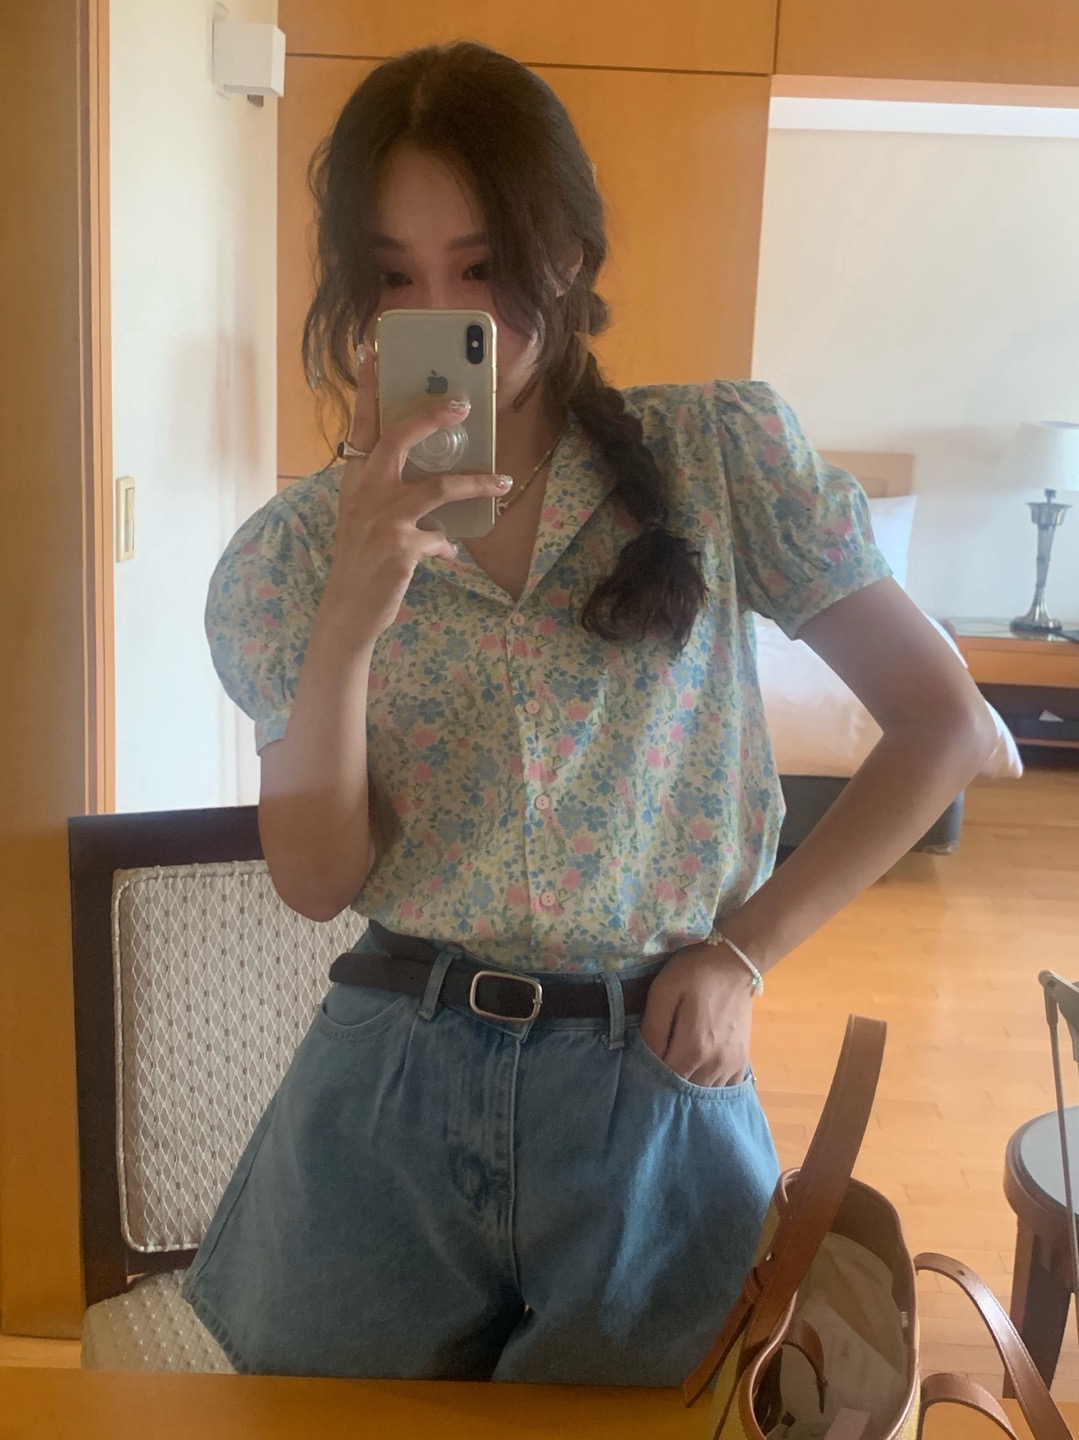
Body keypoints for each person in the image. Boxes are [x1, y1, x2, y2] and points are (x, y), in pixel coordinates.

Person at [182, 41, 997, 1385]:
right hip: (389, 1091)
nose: (446, 311)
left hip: (653, 1083)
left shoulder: (718, 457)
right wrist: (351, 618)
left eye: (483, 264)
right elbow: (317, 880)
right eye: (395, 277)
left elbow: (946, 726)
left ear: (564, 253)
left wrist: (743, 956)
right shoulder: (294, 554)